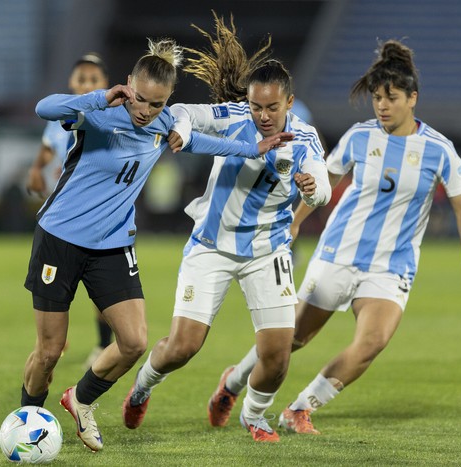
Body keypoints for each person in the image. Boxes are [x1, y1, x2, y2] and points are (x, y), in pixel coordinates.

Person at [20, 37, 293, 452]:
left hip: (112, 245)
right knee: (50, 351)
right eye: (142, 100)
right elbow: (44, 109)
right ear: (128, 84)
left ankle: (81, 399)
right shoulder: (99, 114)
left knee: (133, 342)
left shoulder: (163, 126)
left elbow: (206, 142)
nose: (146, 112)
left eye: (158, 104)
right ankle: (26, 419)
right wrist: (97, 97)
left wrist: (253, 147)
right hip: (60, 239)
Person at [207, 39, 461, 436]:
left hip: (391, 267)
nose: (382, 106)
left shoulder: (439, 149)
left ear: (413, 98)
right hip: (338, 254)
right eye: (376, 98)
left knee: (372, 341)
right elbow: (326, 179)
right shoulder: (360, 136)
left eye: (390, 98)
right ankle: (233, 382)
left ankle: (300, 409)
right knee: (292, 340)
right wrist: (296, 222)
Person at [121, 14, 331, 443]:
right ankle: (142, 387)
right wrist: (180, 128)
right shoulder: (233, 116)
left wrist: (313, 189)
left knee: (277, 353)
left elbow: (321, 185)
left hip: (267, 251)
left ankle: (254, 416)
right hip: (211, 246)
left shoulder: (305, 139)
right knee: (182, 348)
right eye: (257, 106)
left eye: (273, 107)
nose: (263, 115)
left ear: (289, 103)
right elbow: (183, 111)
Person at [26, 53, 115, 369]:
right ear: (71, 82)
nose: (87, 84)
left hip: (98, 218)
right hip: (63, 216)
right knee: (57, 286)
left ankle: (103, 344)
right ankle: (53, 341)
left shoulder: (112, 116)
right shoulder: (63, 112)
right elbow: (49, 144)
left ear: (105, 84)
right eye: (82, 78)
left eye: (94, 80)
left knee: (99, 290)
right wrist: (36, 168)